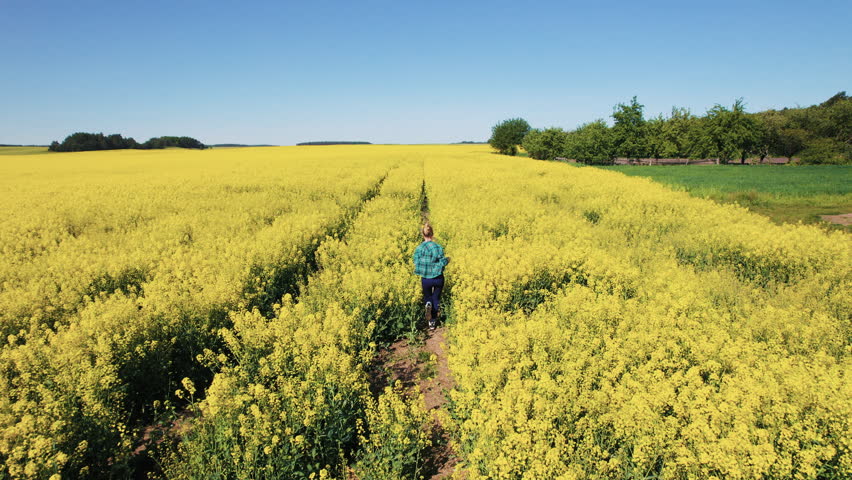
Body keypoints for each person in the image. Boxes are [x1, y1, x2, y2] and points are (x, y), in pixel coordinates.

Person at [412, 223, 449, 329]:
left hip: (426, 279)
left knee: (428, 297)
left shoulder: (419, 248)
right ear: (432, 234)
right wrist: (448, 260)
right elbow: (442, 262)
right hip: (438, 278)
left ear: (422, 234)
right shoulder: (438, 247)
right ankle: (433, 321)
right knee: (436, 298)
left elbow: (416, 261)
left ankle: (428, 304)